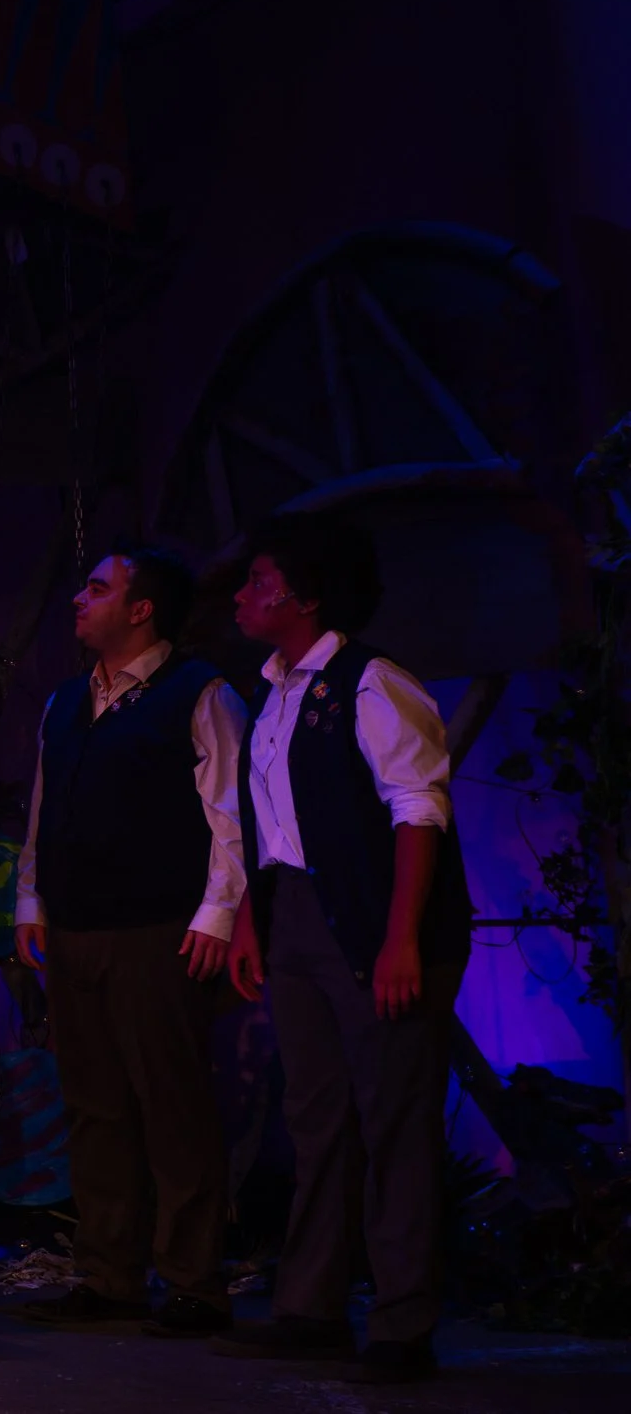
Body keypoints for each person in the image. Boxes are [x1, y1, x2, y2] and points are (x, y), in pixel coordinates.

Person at [213, 515, 469, 1384]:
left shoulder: (372, 683)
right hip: (294, 917)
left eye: (259, 580)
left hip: (370, 923)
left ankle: (403, 1320)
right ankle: (311, 1305)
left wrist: (400, 938)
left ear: (306, 595)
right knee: (316, 1118)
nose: (244, 595)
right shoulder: (276, 691)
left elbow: (417, 812)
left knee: (393, 1118)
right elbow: (275, 824)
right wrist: (253, 915)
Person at [10, 546, 246, 1337]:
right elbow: (46, 807)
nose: (80, 598)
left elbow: (228, 815)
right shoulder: (69, 700)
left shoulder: (198, 692)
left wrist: (218, 914)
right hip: (76, 927)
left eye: (99, 588)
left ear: (141, 610)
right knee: (95, 1106)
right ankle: (108, 1273)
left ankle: (192, 1281)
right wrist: (31, 899)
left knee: (171, 1105)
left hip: (158, 930)